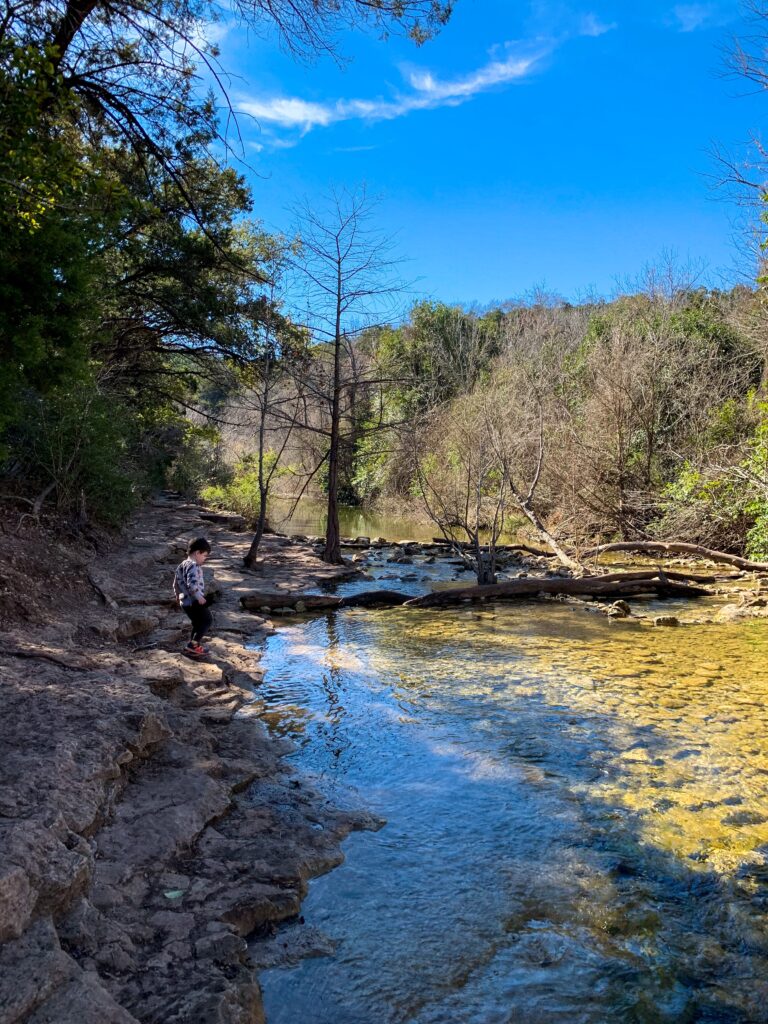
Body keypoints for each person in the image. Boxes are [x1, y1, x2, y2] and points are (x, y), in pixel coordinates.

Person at [173, 537, 212, 656]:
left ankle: (192, 647)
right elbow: (192, 583)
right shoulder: (194, 566)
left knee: (197, 623)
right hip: (193, 600)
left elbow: (175, 583)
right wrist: (199, 597)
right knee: (207, 620)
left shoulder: (182, 565)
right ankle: (193, 645)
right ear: (197, 553)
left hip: (185, 602)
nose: (204, 559)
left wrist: (177, 596)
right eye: (204, 555)